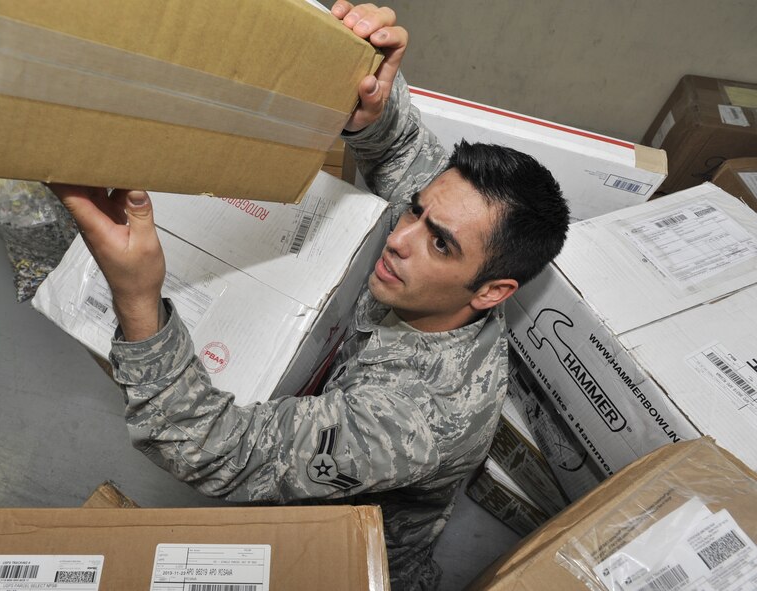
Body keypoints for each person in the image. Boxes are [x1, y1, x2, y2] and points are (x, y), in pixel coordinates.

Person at [51, 3, 569, 589]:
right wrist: (369, 95)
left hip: (343, 559)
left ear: (493, 291)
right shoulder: (447, 247)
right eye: (417, 211)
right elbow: (403, 151)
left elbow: (214, 450)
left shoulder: (413, 420)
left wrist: (138, 298)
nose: (398, 237)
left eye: (440, 244)